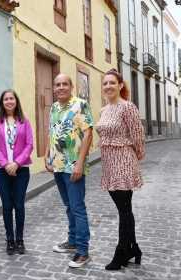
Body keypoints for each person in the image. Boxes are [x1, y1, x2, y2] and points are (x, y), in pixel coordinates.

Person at [96, 69, 145, 270]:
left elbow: (138, 135)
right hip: (109, 163)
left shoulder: (128, 107)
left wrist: (135, 157)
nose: (108, 86)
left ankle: (121, 251)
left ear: (120, 85)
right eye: (105, 83)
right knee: (124, 209)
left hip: (124, 161)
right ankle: (133, 248)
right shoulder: (103, 110)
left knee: (124, 209)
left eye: (112, 83)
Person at [45, 73, 94, 268]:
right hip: (57, 165)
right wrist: (46, 155)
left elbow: (89, 133)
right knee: (68, 206)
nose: (61, 87)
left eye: (65, 84)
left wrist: (80, 164)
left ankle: (83, 251)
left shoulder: (80, 105)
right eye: (58, 84)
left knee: (77, 208)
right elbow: (52, 131)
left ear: (71, 86)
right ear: (54, 88)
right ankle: (72, 241)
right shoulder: (55, 107)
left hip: (73, 166)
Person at [0, 89, 33, 255]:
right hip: (1, 171)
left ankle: (20, 240)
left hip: (21, 170)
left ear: (16, 101)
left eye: (11, 98)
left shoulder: (24, 121)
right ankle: (9, 240)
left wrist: (16, 163)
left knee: (19, 205)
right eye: (6, 99)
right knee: (7, 205)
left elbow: (29, 145)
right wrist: (6, 164)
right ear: (2, 102)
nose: (9, 101)